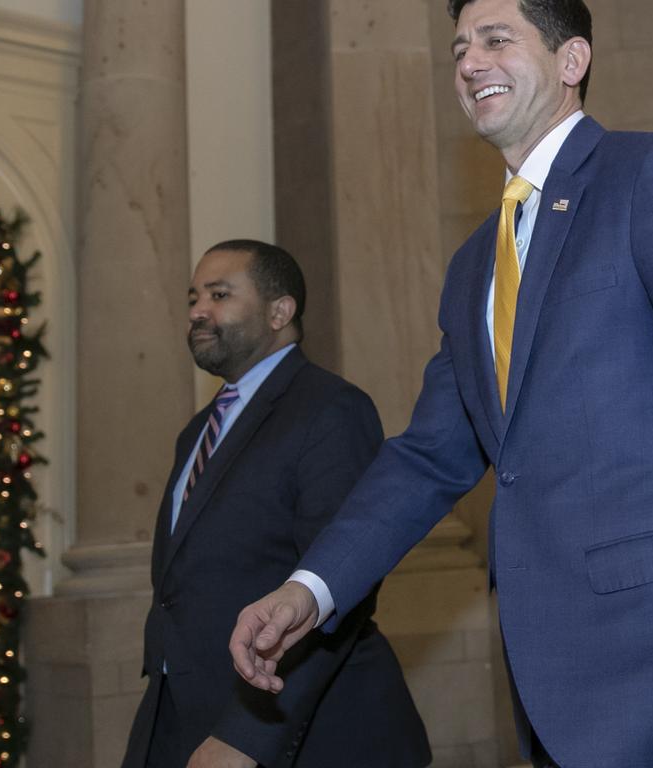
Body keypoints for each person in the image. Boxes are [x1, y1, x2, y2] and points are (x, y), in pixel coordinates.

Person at [228, 1, 653, 767]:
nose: (470, 63)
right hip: (546, 684)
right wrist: (311, 587)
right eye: (459, 48)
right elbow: (431, 455)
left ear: (572, 62)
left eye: (497, 40)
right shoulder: (476, 263)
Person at [120, 240, 430, 768]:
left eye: (219, 294)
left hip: (302, 731)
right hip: (185, 715)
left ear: (279, 311)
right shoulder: (198, 431)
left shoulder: (331, 409)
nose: (197, 310)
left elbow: (342, 588)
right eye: (193, 297)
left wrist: (247, 733)